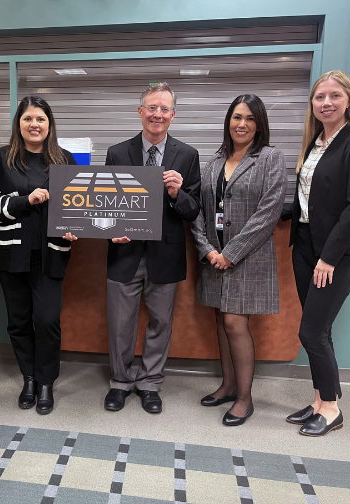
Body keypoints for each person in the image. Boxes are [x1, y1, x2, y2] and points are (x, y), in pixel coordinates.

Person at [286, 71, 350, 436]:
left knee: (311, 331)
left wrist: (329, 258)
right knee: (319, 330)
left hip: (335, 253)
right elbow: (309, 200)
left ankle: (332, 410)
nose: (326, 102)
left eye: (334, 96)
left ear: (348, 101)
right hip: (305, 245)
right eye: (320, 97)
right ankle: (320, 400)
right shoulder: (315, 144)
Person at [104, 82, 201, 414]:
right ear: (140, 111)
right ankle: (120, 382)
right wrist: (112, 230)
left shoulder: (187, 155)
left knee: (161, 321)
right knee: (119, 323)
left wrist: (177, 194)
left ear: (172, 115)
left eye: (164, 109)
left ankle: (149, 383)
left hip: (166, 253)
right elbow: (105, 206)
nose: (157, 114)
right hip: (124, 253)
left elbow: (193, 210)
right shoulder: (117, 153)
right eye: (151, 107)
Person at [191, 94, 287, 426]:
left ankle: (245, 398)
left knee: (235, 322)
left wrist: (230, 254)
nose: (241, 124)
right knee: (221, 320)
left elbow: (269, 212)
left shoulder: (270, 158)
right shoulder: (216, 161)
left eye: (248, 118)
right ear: (228, 121)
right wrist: (207, 249)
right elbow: (199, 210)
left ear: (259, 123)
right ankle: (228, 386)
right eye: (236, 117)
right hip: (214, 256)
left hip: (247, 257)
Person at [0, 96, 77, 415]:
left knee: (47, 320)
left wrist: (76, 227)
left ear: (50, 125)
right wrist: (25, 201)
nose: (34, 125)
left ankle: (47, 381)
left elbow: (78, 207)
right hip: (11, 256)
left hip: (51, 255)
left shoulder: (64, 160)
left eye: (40, 119)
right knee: (18, 321)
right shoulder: (0, 160)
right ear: (18, 124)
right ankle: (30, 379)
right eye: (27, 119)